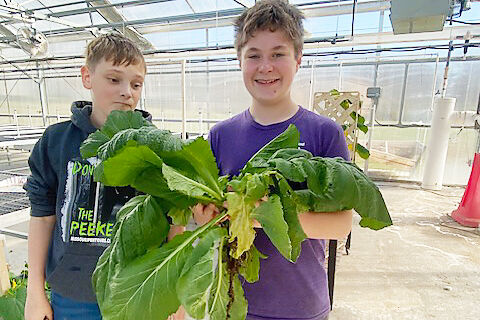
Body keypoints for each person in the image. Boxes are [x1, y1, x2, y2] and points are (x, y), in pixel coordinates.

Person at [194, 1, 353, 319]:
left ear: (298, 60)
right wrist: (207, 217)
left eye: (278, 54)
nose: (265, 66)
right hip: (229, 302)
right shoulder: (220, 136)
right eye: (254, 55)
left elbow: (341, 225)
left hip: (299, 305)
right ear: (240, 61)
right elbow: (210, 220)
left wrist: (263, 216)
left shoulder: (324, 133)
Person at [23, 32, 152, 320]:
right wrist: (34, 293)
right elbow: (43, 216)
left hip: (135, 292)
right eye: (114, 79)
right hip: (72, 293)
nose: (126, 92)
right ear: (87, 77)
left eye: (136, 84)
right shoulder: (57, 141)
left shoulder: (153, 145)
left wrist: (174, 297)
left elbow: (171, 221)